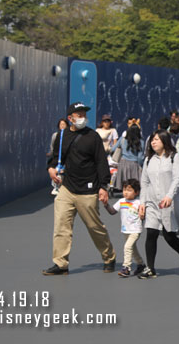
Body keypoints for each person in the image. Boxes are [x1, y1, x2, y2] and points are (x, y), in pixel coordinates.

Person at [43, 102, 117, 275]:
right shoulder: (61, 136)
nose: (83, 117)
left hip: (88, 190)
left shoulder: (92, 136)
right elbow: (55, 158)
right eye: (80, 114)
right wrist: (51, 168)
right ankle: (61, 264)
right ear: (70, 118)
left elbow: (101, 162)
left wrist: (103, 186)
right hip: (66, 189)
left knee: (94, 227)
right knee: (61, 227)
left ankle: (109, 256)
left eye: (84, 114)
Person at [138, 130, 179, 279]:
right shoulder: (148, 160)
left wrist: (169, 196)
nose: (153, 142)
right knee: (151, 233)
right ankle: (151, 268)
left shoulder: (174, 158)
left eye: (156, 139)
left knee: (169, 236)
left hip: (168, 204)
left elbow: (177, 179)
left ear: (165, 141)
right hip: (152, 203)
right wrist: (142, 203)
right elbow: (145, 182)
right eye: (152, 140)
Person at [104, 179, 147, 278]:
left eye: (129, 190)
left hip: (135, 230)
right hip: (125, 230)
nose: (126, 192)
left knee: (127, 247)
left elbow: (143, 215)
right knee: (133, 249)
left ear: (137, 192)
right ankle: (141, 265)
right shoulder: (121, 201)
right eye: (124, 190)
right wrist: (106, 205)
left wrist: (143, 215)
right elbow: (112, 211)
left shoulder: (139, 202)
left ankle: (126, 268)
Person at [110, 125, 145, 190]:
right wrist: (141, 165)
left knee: (124, 184)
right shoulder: (141, 141)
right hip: (134, 164)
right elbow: (140, 157)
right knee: (134, 186)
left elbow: (113, 149)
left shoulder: (122, 139)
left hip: (123, 163)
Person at [48, 119, 69, 195]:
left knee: (64, 172)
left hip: (66, 157)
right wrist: (51, 153)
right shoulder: (55, 135)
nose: (62, 126)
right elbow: (52, 145)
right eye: (61, 124)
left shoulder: (69, 135)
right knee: (57, 171)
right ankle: (56, 186)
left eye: (64, 124)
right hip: (57, 157)